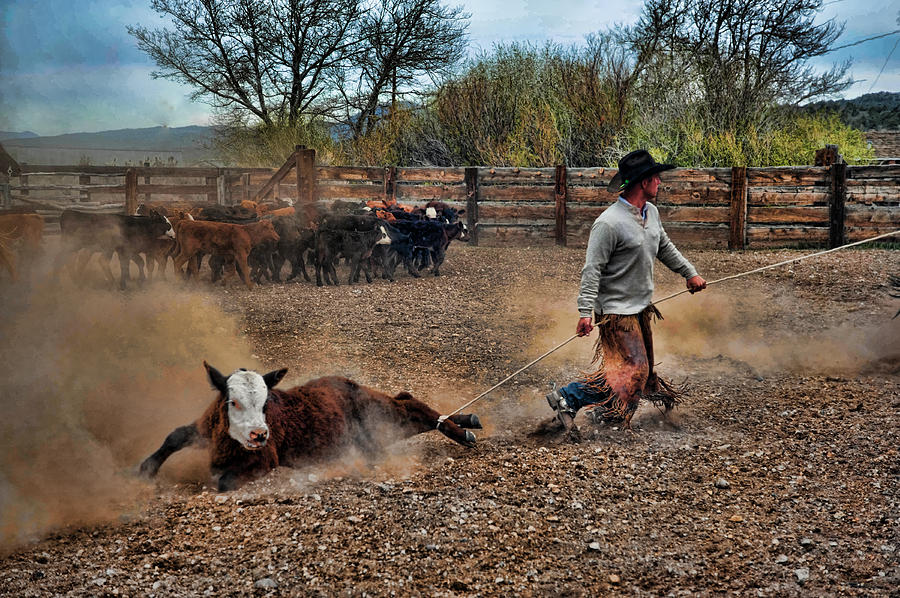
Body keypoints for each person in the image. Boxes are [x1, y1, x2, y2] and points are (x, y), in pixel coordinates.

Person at [545, 149, 707, 439]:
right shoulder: (608, 223)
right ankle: (569, 396)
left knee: (638, 370)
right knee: (634, 370)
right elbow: (592, 270)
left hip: (641, 306)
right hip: (615, 311)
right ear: (643, 182)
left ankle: (608, 413)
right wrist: (584, 312)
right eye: (656, 176)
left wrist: (689, 273)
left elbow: (664, 247)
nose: (659, 181)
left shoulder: (652, 213)